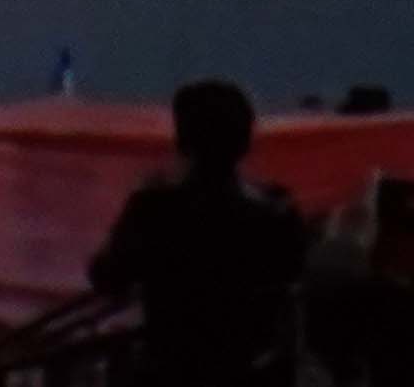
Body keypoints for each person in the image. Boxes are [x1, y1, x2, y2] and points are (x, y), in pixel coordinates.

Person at [87, 81, 306, 386]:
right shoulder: (276, 210)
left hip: (171, 371)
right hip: (250, 373)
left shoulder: (154, 208)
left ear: (182, 139)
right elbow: (293, 279)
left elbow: (108, 277)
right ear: (245, 140)